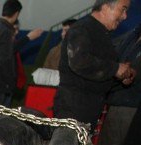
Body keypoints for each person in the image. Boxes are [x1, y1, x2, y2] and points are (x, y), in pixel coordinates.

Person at [54, 0, 135, 131]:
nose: (125, 16)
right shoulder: (82, 29)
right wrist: (115, 69)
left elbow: (99, 74)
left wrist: (122, 78)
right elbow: (79, 62)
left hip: (89, 109)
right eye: (123, 9)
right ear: (106, 7)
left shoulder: (103, 33)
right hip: (74, 110)